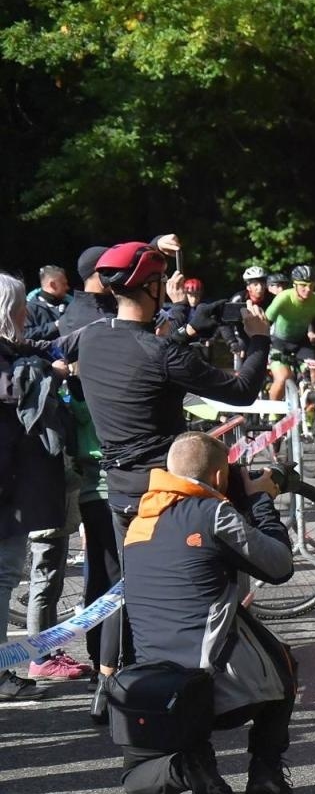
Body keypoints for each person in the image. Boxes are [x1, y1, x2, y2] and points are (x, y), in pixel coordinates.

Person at [73, 242, 272, 675]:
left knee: (127, 586)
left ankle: (108, 683)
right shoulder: (161, 354)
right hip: (167, 493)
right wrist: (259, 339)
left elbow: (138, 351)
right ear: (151, 287)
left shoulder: (90, 340)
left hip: (119, 490)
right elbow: (240, 390)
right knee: (202, 575)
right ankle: (219, 669)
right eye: (161, 282)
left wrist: (185, 331)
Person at [118, 432, 296, 794]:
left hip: (155, 692)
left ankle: (186, 766)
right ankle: (265, 773)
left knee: (136, 780)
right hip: (216, 688)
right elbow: (279, 566)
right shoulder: (213, 514)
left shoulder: (137, 522)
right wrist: (260, 501)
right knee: (283, 663)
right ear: (218, 477)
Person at [1, 273, 74, 697]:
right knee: (4, 577)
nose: (27, 312)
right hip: (5, 490)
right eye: (20, 306)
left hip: (10, 486)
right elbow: (12, 393)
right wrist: (50, 374)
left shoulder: (11, 351)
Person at [264, 264, 315, 401]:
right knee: (282, 377)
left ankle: (309, 407)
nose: (308, 290)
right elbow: (265, 321)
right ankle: (273, 415)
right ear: (294, 285)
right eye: (303, 285)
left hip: (301, 343)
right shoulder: (284, 297)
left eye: (312, 286)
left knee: (313, 368)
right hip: (278, 342)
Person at [25, 265, 72, 341]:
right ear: (52, 285)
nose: (67, 287)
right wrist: (55, 325)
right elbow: (26, 334)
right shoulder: (29, 309)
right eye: (64, 284)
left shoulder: (70, 304)